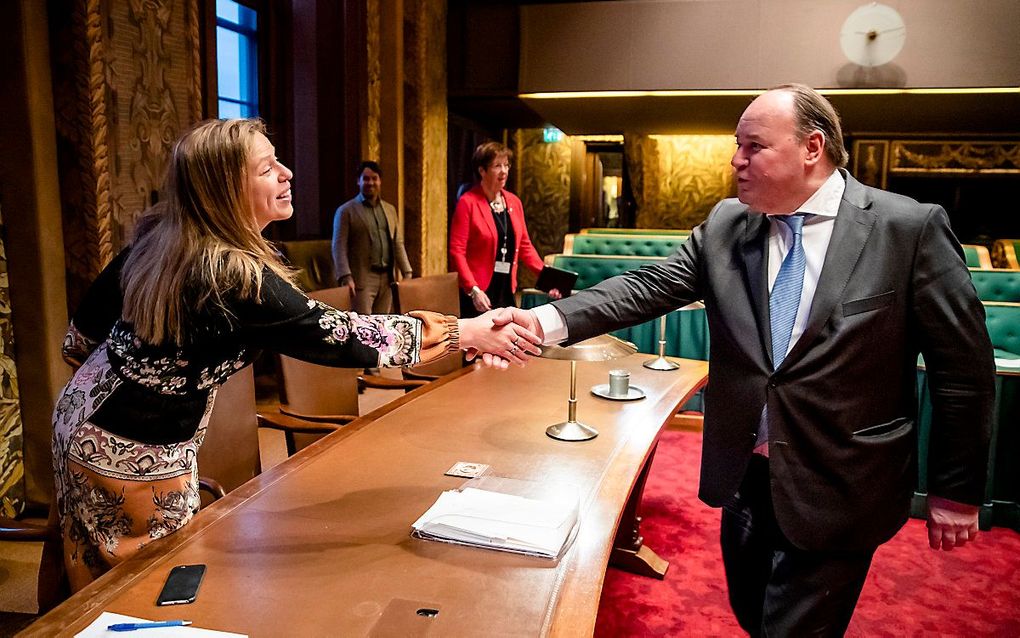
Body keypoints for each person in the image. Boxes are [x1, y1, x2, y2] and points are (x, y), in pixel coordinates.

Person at [498, 84, 995, 635]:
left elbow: (963, 374)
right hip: (746, 474)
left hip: (842, 481)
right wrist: (540, 322)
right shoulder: (727, 225)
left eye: (753, 146)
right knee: (753, 613)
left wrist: (958, 488)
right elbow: (645, 287)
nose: (736, 160)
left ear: (812, 147)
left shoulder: (908, 228)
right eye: (737, 145)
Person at [53, 118, 541, 591]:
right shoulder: (230, 272)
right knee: (139, 589)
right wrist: (466, 331)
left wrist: (138, 373)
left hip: (90, 411)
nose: (287, 173)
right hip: (129, 448)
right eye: (266, 169)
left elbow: (84, 330)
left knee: (95, 568)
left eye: (278, 161)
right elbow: (341, 334)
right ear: (224, 190)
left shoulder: (167, 234)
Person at [449, 141, 561, 318]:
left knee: (507, 339)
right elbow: (457, 251)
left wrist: (547, 278)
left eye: (506, 165)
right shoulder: (468, 202)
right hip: (479, 290)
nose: (504, 171)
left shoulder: (514, 202)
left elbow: (525, 246)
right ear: (482, 171)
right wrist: (473, 289)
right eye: (497, 166)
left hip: (506, 285)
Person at [332, 160, 413, 314]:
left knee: (383, 327)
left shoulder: (390, 210)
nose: (370, 182)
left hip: (387, 279)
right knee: (365, 328)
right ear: (359, 181)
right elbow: (338, 247)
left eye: (374, 178)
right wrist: (346, 277)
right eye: (366, 178)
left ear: (380, 181)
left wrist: (407, 272)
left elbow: (398, 243)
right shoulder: (345, 211)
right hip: (362, 280)